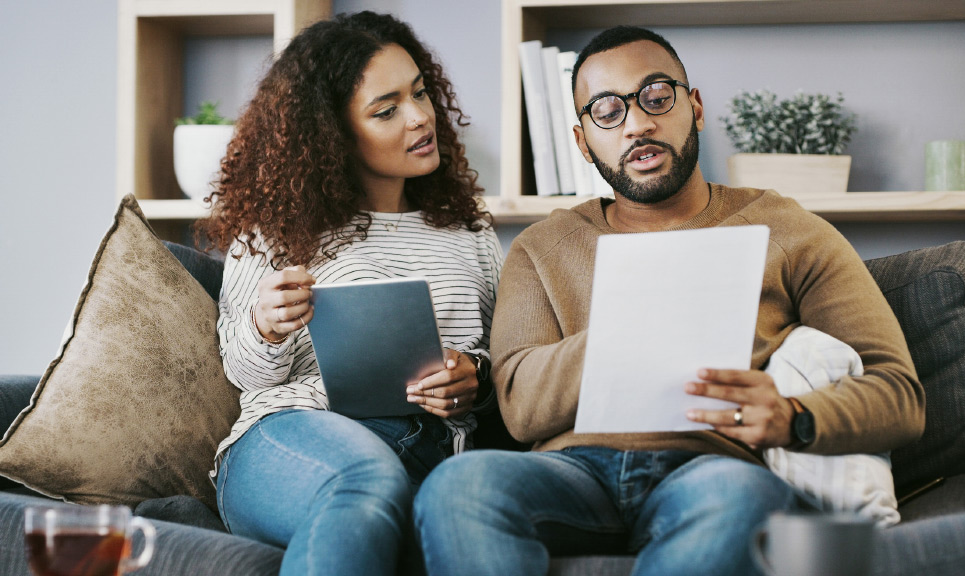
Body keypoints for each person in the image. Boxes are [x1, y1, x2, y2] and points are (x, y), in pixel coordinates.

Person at [413, 25, 924, 576]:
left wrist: (793, 415)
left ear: (695, 107)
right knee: (460, 487)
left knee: (744, 500)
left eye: (657, 96)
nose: (637, 123)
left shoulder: (791, 230)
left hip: (715, 470)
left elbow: (898, 393)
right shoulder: (541, 248)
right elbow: (519, 406)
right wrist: (630, 331)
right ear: (583, 142)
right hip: (573, 472)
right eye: (607, 112)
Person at [195, 11, 502, 576]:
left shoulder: (470, 231)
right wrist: (267, 326)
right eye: (386, 110)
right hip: (293, 435)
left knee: (398, 497)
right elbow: (246, 375)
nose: (419, 118)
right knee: (366, 482)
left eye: (421, 93)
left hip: (430, 445)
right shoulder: (276, 228)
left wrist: (472, 379)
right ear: (331, 131)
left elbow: (504, 364)